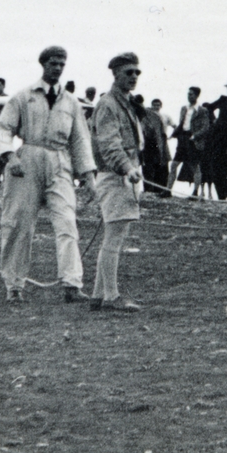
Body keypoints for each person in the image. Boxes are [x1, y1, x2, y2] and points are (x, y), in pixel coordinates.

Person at [0, 47, 97, 303]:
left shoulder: (71, 102)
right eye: (53, 63)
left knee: (67, 222)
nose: (58, 68)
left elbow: (81, 140)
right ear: (43, 64)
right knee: (19, 223)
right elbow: (4, 127)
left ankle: (72, 285)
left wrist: (89, 177)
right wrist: (11, 156)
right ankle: (14, 286)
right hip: (27, 160)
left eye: (62, 64)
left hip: (60, 162)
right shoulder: (24, 96)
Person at [89, 54, 147, 311]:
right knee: (114, 237)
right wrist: (127, 169)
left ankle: (98, 295)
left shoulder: (124, 102)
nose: (133, 77)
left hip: (126, 175)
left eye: (136, 72)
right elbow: (109, 144)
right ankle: (111, 297)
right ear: (116, 75)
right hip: (116, 177)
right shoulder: (108, 104)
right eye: (128, 73)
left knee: (114, 235)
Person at [169, 87, 204, 192]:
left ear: (197, 96)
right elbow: (181, 124)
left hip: (192, 140)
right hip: (182, 139)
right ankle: (167, 190)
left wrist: (195, 136)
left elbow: (205, 127)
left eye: (191, 94)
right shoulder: (184, 108)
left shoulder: (202, 110)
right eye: (188, 94)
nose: (189, 96)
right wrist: (174, 134)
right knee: (174, 164)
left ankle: (195, 192)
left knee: (195, 167)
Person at [140, 97, 172, 197]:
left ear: (161, 106)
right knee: (149, 166)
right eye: (154, 105)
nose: (156, 107)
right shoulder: (146, 115)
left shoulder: (164, 116)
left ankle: (160, 189)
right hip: (149, 142)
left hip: (161, 142)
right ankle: (149, 189)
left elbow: (175, 125)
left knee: (161, 165)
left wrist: (169, 136)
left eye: (158, 105)